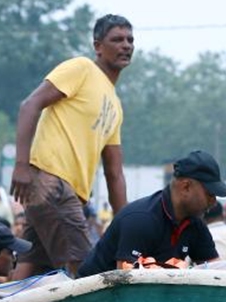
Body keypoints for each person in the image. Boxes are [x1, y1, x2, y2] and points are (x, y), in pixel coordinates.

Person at [10, 14, 134, 279]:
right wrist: (21, 165)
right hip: (51, 181)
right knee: (87, 271)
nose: (126, 45)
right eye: (117, 39)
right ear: (98, 46)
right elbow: (29, 105)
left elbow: (114, 173)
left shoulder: (114, 103)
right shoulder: (81, 69)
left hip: (68, 194)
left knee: (30, 268)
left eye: (130, 40)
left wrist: (125, 224)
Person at [78, 149, 226, 277]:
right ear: (186, 187)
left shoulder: (195, 224)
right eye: (210, 194)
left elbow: (215, 273)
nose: (214, 202)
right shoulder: (141, 220)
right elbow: (126, 282)